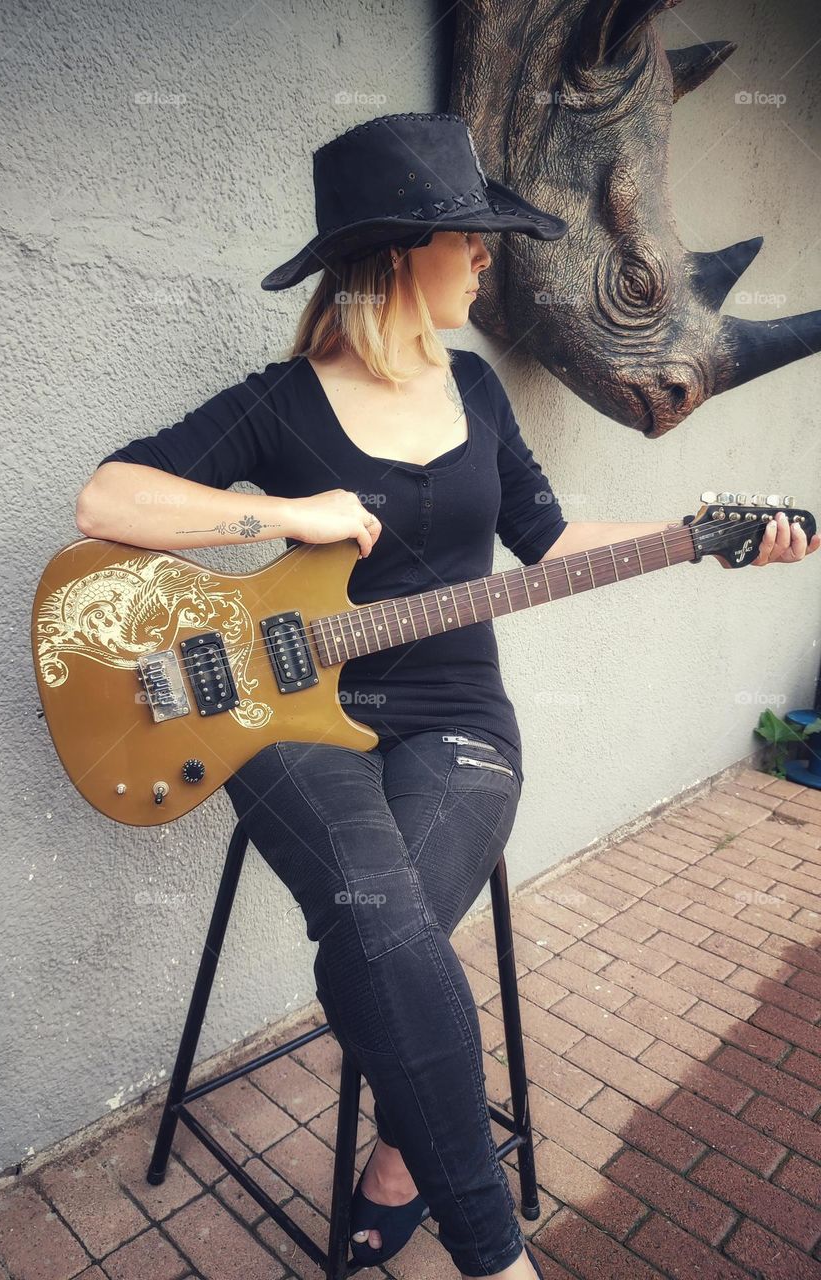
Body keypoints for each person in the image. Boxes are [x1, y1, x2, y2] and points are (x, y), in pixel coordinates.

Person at [74, 113, 817, 1280]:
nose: (484, 257)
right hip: (286, 719)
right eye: (466, 236)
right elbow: (108, 498)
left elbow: (550, 539)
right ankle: (495, 1257)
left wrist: (695, 537)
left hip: (459, 724)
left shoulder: (475, 388)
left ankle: (404, 1153)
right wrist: (287, 513)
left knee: (381, 937)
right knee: (383, 928)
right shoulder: (283, 402)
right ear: (396, 252)